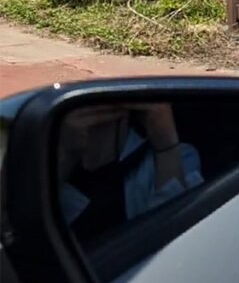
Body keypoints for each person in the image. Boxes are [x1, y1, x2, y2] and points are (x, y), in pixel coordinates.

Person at [59, 102, 203, 239]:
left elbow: (177, 240)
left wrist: (166, 146)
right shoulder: (46, 147)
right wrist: (64, 153)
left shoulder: (177, 157)